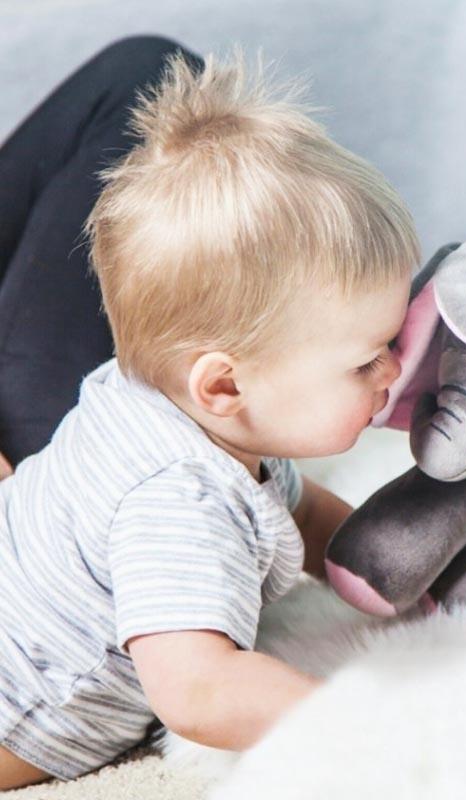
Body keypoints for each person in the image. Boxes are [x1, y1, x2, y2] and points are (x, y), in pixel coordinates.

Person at [0, 35, 416, 789]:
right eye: (366, 359)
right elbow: (199, 690)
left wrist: (416, 578)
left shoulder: (179, 412)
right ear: (223, 387)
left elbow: (310, 515)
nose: (395, 370)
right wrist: (366, 722)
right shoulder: (177, 498)